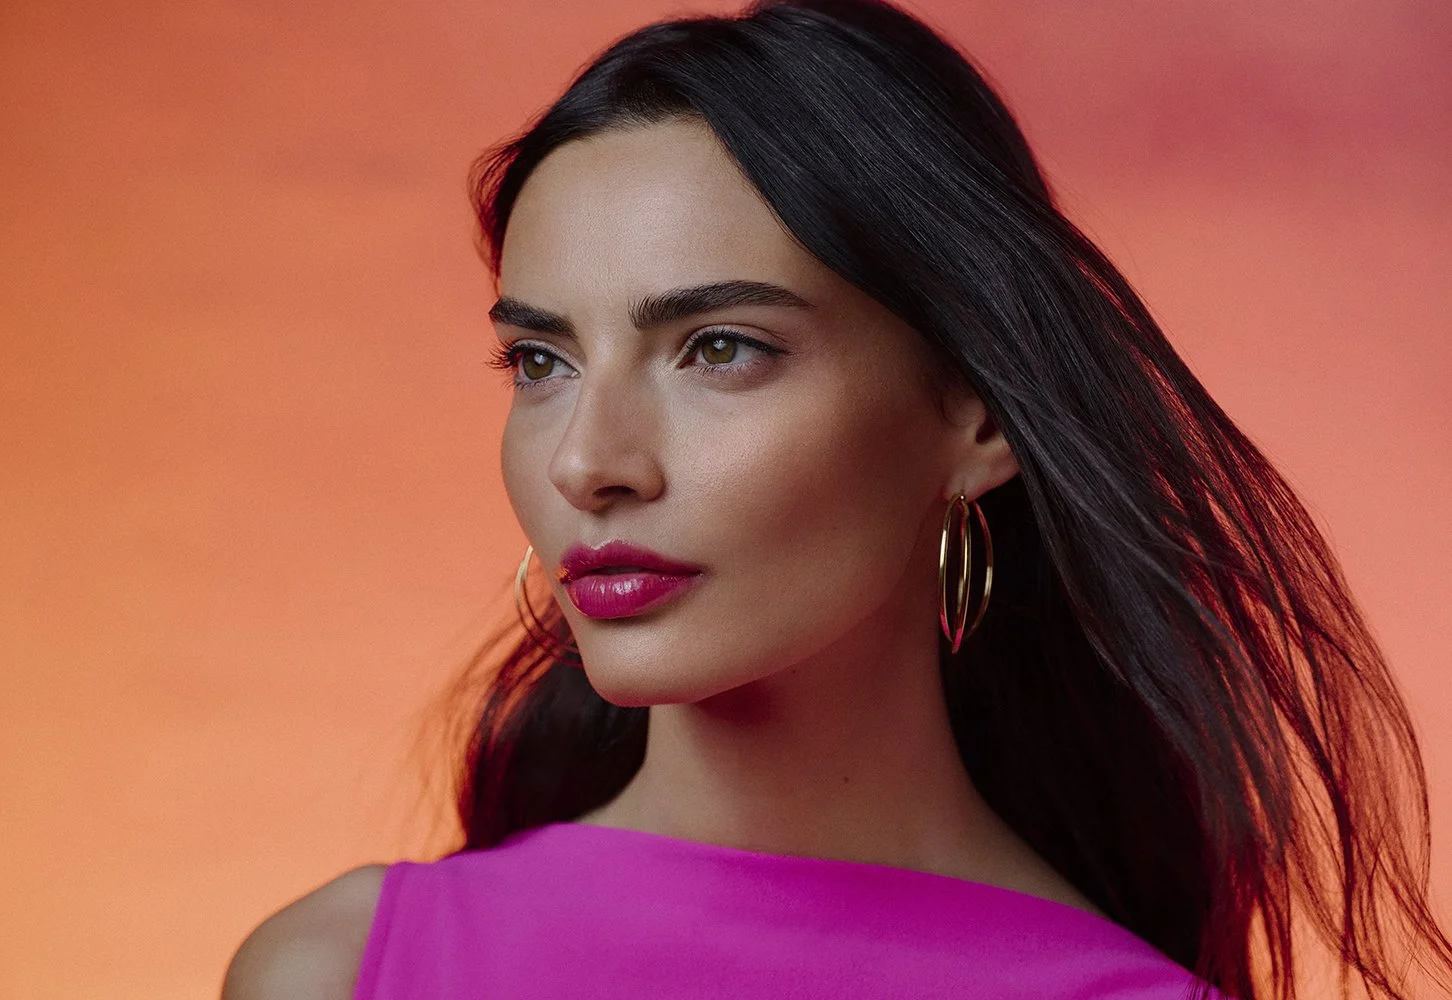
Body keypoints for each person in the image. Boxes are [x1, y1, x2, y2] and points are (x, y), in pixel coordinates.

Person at [221, 1, 1452, 997]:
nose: (587, 462)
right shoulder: (336, 973)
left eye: (720, 348)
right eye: (542, 363)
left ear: (975, 412)